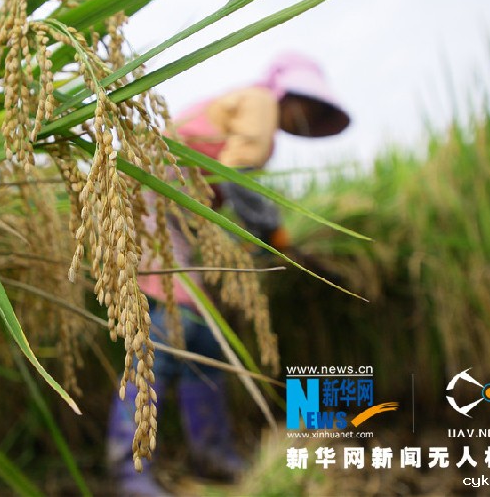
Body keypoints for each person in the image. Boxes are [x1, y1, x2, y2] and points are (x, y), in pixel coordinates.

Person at [106, 52, 351, 495]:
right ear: (291, 97)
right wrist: (273, 233)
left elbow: (216, 192)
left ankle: (213, 456)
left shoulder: (247, 110)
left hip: (171, 216)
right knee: (160, 332)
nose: (309, 122)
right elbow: (237, 178)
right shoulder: (261, 103)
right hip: (151, 212)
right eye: (313, 111)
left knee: (202, 338)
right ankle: (129, 469)